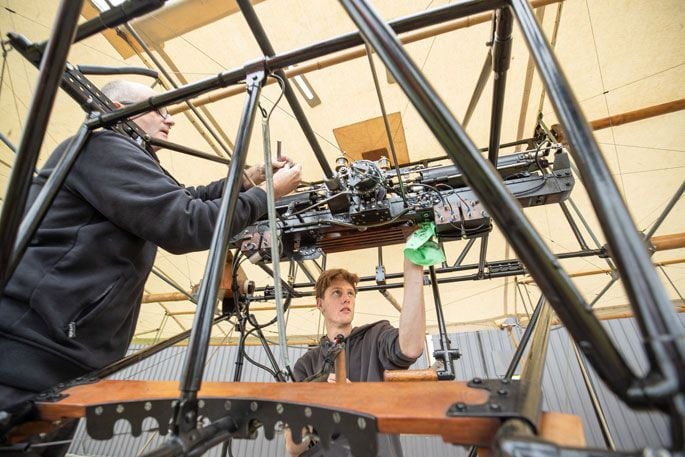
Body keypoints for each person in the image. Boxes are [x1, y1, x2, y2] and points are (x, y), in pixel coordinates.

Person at [0, 80, 302, 413]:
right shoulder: (101, 147)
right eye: (159, 108)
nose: (170, 119)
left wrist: (249, 178)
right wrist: (266, 195)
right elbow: (187, 223)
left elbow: (185, 198)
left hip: (56, 358)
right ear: (120, 111)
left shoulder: (116, 156)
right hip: (29, 356)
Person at [285, 254, 426, 457]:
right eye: (336, 293)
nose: (346, 298)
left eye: (351, 293)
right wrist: (314, 401)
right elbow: (293, 447)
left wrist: (413, 268)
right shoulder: (306, 365)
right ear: (319, 303)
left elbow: (411, 347)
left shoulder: (376, 336)